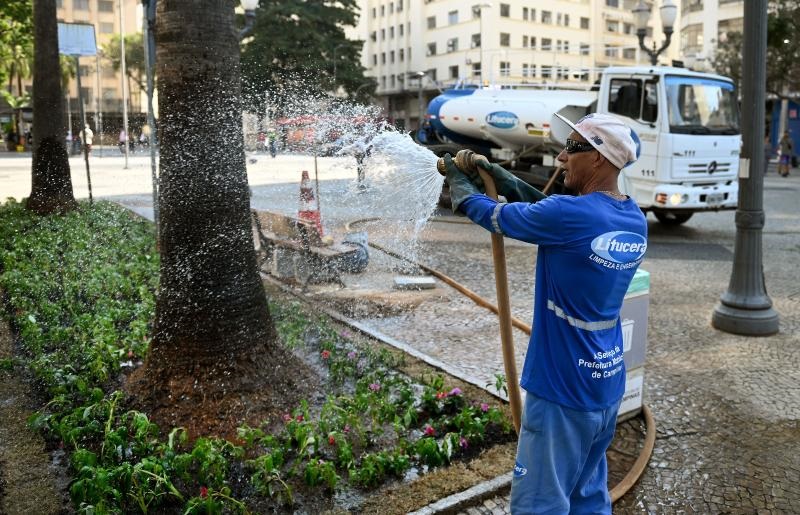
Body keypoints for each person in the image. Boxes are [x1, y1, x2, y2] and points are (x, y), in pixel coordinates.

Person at [441, 113, 646, 514]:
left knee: (540, 504)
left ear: (599, 158)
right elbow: (566, 221)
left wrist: (463, 188)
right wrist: (510, 182)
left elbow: (492, 215)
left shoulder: (569, 217)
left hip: (561, 390)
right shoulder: (632, 218)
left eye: (571, 148)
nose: (561, 158)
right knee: (587, 496)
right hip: (604, 386)